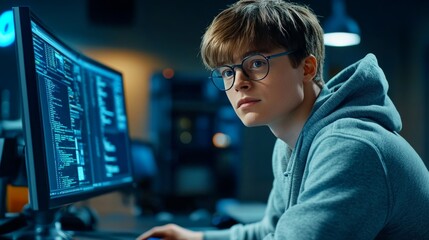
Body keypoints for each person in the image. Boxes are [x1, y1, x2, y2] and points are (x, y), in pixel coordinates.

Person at [137, 0, 429, 239]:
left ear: (306, 68)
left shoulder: (350, 147)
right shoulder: (291, 144)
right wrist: (196, 238)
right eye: (227, 71)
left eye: (256, 63)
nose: (238, 82)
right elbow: (273, 230)